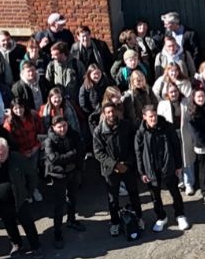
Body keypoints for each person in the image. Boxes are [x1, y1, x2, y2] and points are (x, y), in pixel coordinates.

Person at [0, 137, 43, 258]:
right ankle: (16, 244)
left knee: (27, 223)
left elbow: (32, 175)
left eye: (2, 153)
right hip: (1, 202)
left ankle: (36, 246)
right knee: (9, 225)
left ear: (7, 149)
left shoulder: (17, 158)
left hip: (19, 198)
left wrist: (28, 193)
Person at [135, 105, 190, 232]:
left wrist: (178, 165)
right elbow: (138, 153)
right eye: (150, 116)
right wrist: (142, 172)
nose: (153, 119)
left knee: (175, 192)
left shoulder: (168, 127)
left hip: (168, 166)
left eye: (155, 115)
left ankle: (180, 215)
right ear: (144, 117)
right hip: (151, 169)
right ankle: (161, 217)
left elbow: (176, 146)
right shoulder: (140, 133)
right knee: (155, 196)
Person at [93, 101, 143, 236]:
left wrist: (127, 163)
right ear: (104, 114)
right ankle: (114, 222)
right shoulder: (99, 131)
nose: (111, 114)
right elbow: (98, 153)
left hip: (127, 166)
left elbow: (134, 145)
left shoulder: (126, 125)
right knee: (112, 198)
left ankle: (139, 218)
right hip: (110, 170)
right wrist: (114, 165)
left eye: (113, 111)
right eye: (108, 112)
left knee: (134, 194)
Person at [43, 115, 85, 249]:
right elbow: (54, 159)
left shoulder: (73, 135)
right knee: (59, 205)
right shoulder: (49, 141)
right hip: (58, 175)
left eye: (64, 126)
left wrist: (74, 161)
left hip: (73, 172)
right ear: (53, 127)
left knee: (72, 198)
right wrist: (72, 154)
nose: (62, 129)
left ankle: (71, 220)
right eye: (59, 127)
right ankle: (57, 232)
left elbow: (81, 150)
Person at [157, 81, 196, 195]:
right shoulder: (162, 104)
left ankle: (189, 183)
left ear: (179, 91)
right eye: (171, 92)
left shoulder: (186, 102)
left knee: (187, 159)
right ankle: (180, 180)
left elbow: (192, 117)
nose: (174, 94)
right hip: (171, 135)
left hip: (185, 133)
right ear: (167, 93)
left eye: (175, 91)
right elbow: (160, 122)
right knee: (175, 158)